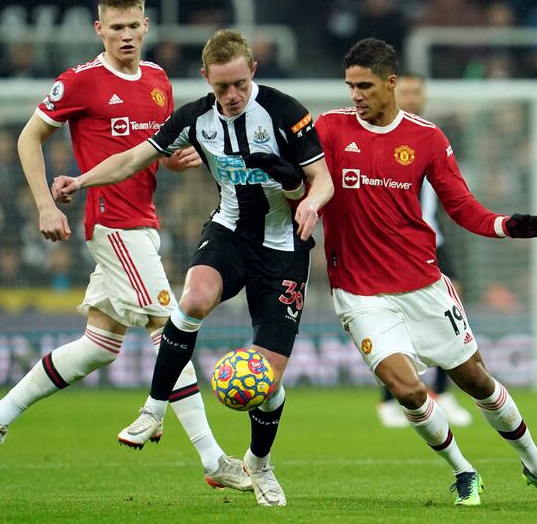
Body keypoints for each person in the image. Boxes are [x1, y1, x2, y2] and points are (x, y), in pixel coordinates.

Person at [0, 0, 251, 493]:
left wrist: (172, 160)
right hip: (113, 224)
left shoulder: (159, 81)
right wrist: (44, 204)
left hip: (144, 221)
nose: (125, 34)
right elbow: (28, 137)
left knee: (99, 347)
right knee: (172, 329)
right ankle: (213, 460)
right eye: (115, 26)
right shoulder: (80, 82)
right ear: (100, 29)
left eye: (133, 25)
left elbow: (150, 150)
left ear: (146, 26)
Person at [52, 29, 334, 507]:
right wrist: (80, 181)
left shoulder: (286, 112)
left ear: (253, 73)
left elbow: (321, 179)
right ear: (206, 79)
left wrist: (312, 204)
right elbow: (132, 159)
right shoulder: (195, 118)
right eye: (221, 86)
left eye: (239, 84)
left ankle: (259, 466)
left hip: (285, 247)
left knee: (267, 382)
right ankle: (154, 410)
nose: (232, 95)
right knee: (194, 298)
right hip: (229, 231)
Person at [307, 38, 537, 507]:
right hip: (359, 292)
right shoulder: (331, 129)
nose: (355, 95)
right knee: (407, 388)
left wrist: (508, 225)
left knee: (477, 381)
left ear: (391, 83)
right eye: (350, 86)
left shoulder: (426, 138)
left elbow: (462, 209)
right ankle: (464, 470)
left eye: (365, 86)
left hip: (423, 284)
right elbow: (306, 181)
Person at [376, 73, 473, 429]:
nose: (414, 97)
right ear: (392, 92)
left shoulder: (431, 135)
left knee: (453, 307)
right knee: (397, 318)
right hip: (396, 244)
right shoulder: (383, 136)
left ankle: (444, 392)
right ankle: (391, 398)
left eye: (418, 92)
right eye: (407, 91)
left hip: (432, 239)